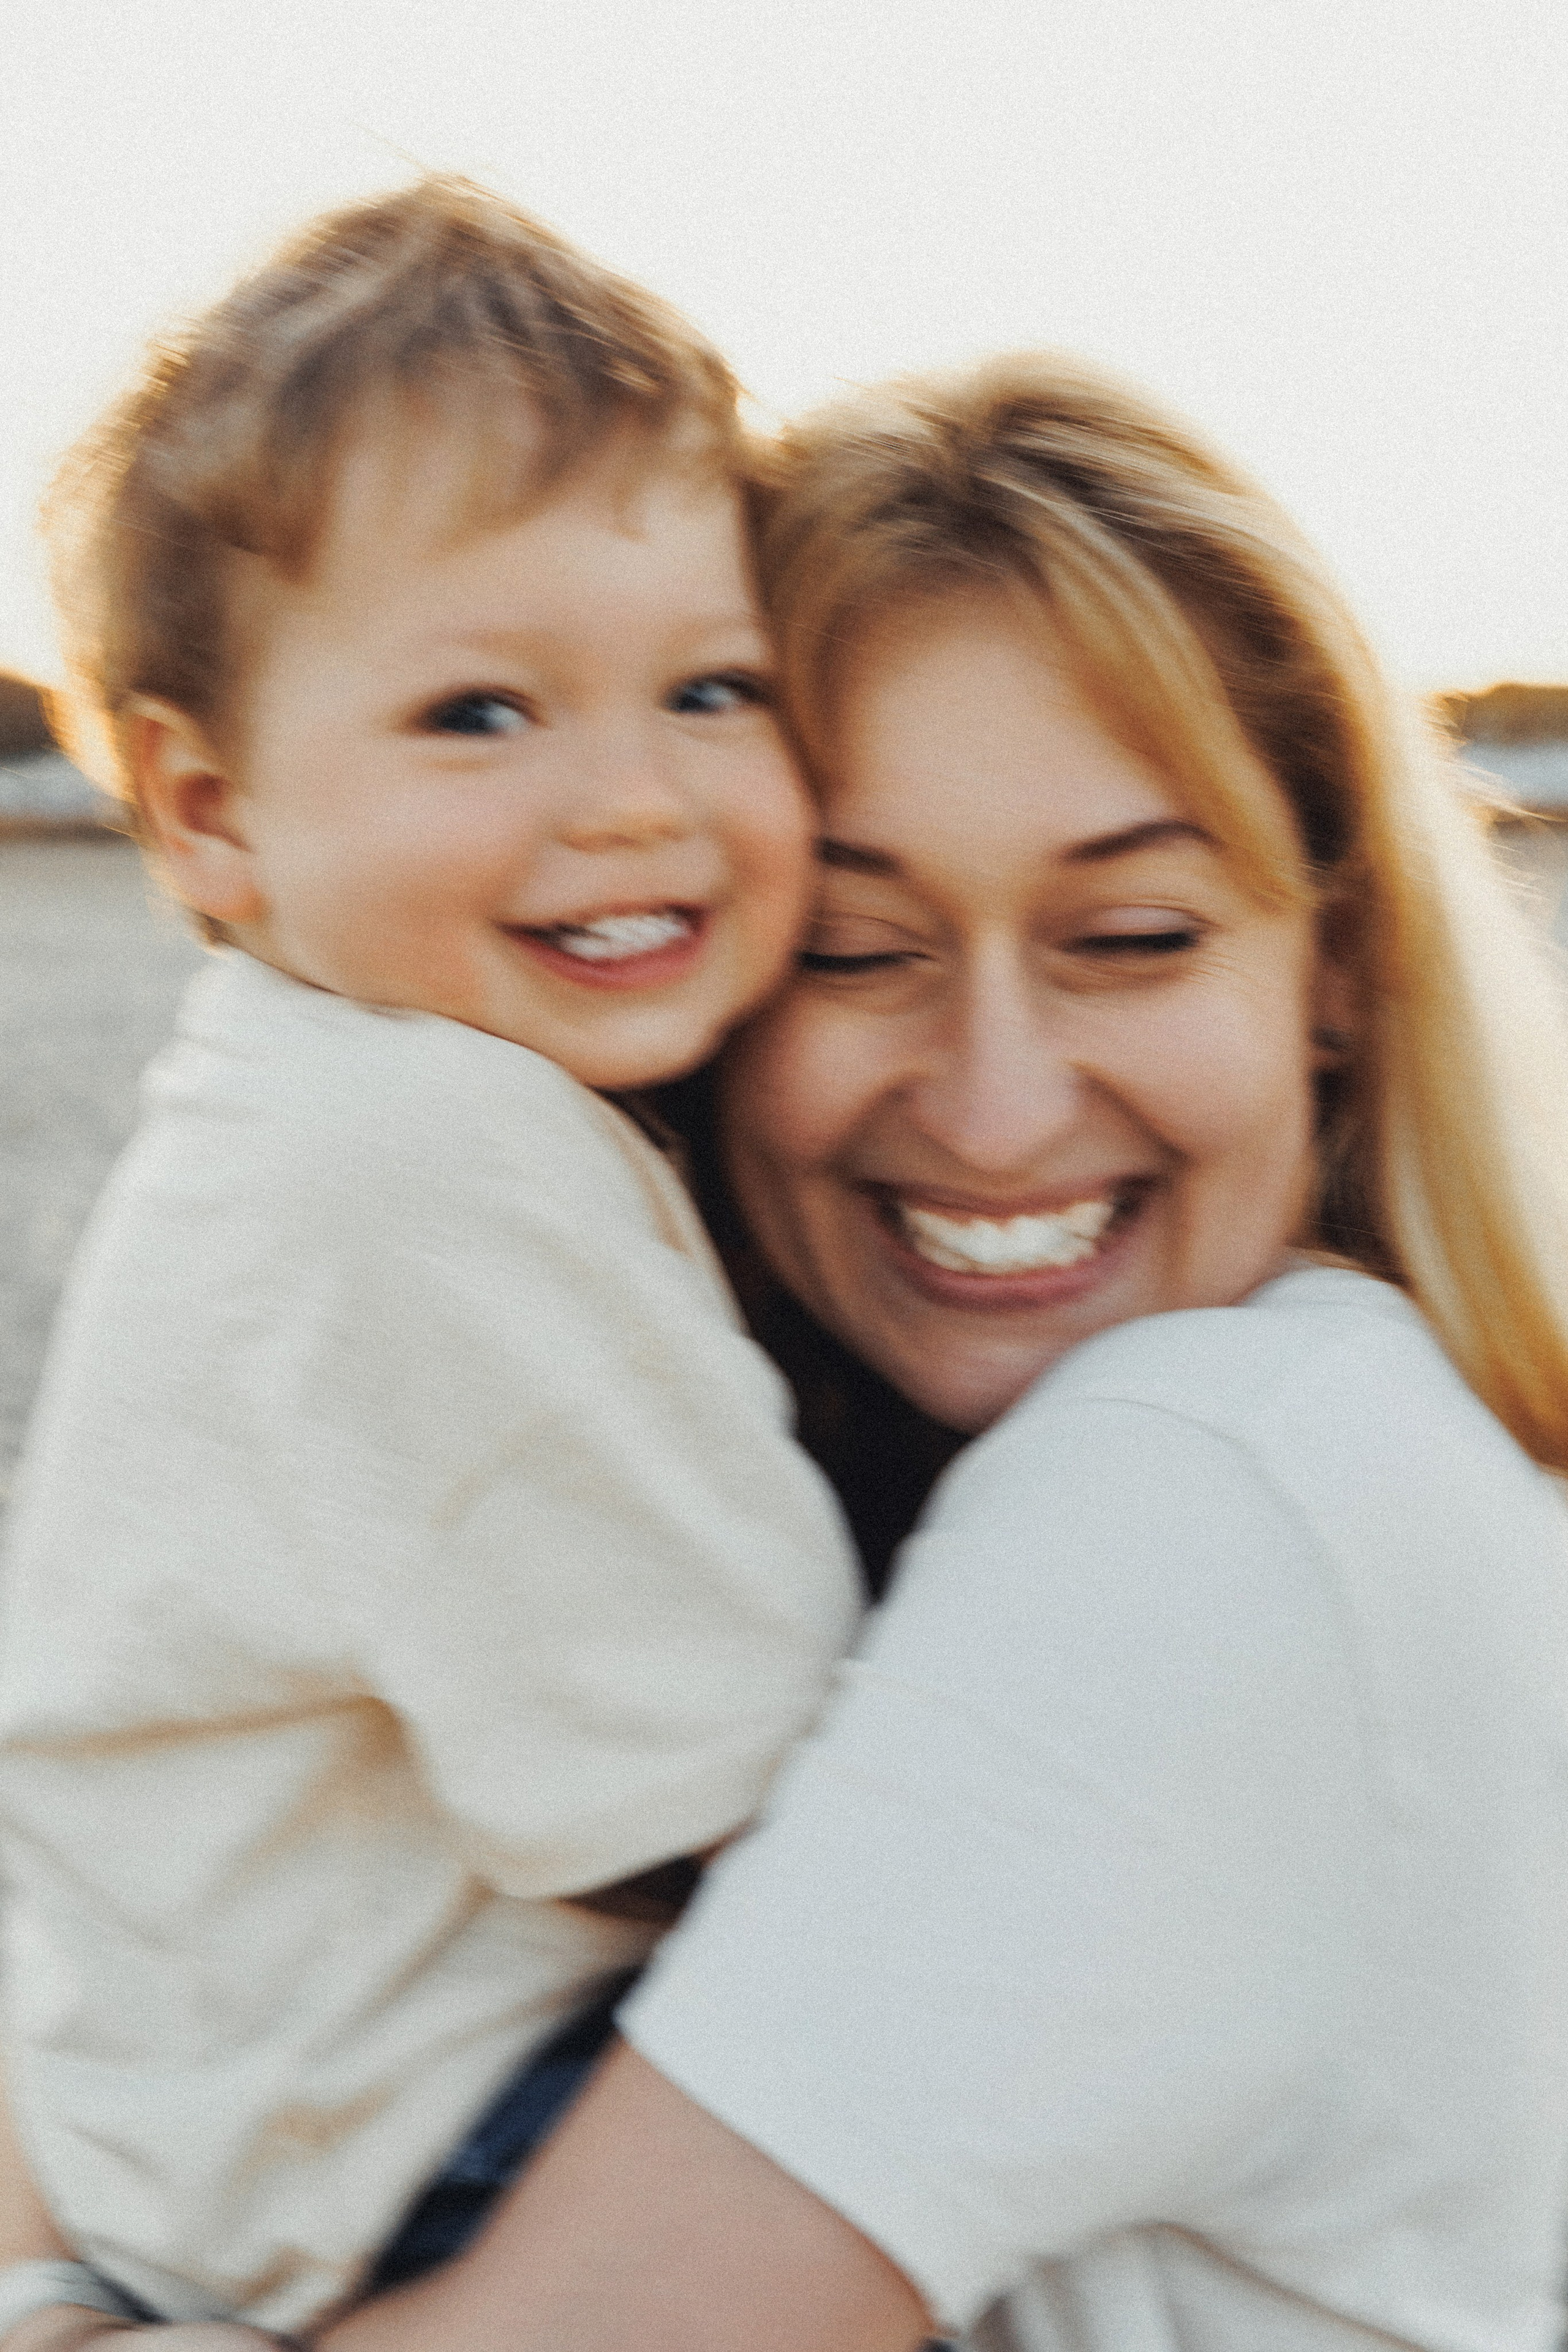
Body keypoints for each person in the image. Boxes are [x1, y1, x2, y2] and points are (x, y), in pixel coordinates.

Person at [6, 358, 1568, 2352]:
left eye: (1134, 936)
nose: (998, 1111)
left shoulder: (1215, 1479)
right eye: (856, 949)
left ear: (1334, 973)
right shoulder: (1215, 1457)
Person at [0, 179, 862, 2345]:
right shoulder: (422, 1167)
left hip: (219, 2128)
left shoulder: (329, 1090)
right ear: (207, 814)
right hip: (405, 2169)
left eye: (712, 689)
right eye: (484, 713)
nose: (635, 799)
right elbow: (752, 1805)